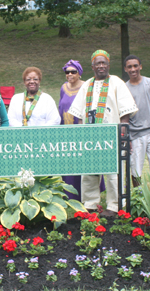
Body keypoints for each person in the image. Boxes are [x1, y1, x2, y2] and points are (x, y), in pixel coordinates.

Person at [68, 50, 138, 217]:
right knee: (90, 172)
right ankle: (90, 204)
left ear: (108, 65)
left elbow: (125, 110)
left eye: (104, 63)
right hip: (90, 136)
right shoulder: (87, 85)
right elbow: (78, 112)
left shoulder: (116, 83)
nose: (101, 66)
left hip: (111, 135)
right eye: (97, 63)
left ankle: (114, 206)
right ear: (92, 66)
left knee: (114, 172)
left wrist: (123, 132)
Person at [58, 60, 105, 201]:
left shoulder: (87, 87)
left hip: (82, 130)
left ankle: (88, 194)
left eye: (73, 72)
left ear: (79, 73)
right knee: (69, 163)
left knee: (83, 162)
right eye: (67, 72)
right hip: (66, 131)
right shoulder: (63, 88)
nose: (70, 74)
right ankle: (70, 194)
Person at [124, 55, 150, 187]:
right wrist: (127, 137)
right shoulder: (124, 88)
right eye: (129, 66)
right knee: (135, 170)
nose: (133, 69)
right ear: (125, 69)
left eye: (135, 65)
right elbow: (123, 115)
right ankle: (138, 198)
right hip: (134, 135)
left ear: (140, 66)